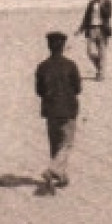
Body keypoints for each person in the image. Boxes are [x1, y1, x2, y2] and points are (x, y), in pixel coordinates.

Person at [35, 31, 81, 189]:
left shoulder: (42, 66)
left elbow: (39, 91)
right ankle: (54, 170)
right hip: (68, 109)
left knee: (55, 144)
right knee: (66, 144)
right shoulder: (71, 65)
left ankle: (61, 177)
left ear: (49, 46)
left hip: (50, 110)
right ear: (63, 47)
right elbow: (78, 88)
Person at [76, 0, 112, 80]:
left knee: (102, 52)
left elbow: (108, 15)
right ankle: (100, 68)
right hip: (91, 28)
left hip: (102, 29)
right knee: (89, 51)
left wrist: (101, 5)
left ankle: (101, 73)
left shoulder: (107, 2)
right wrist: (80, 29)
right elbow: (86, 16)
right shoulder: (91, 2)